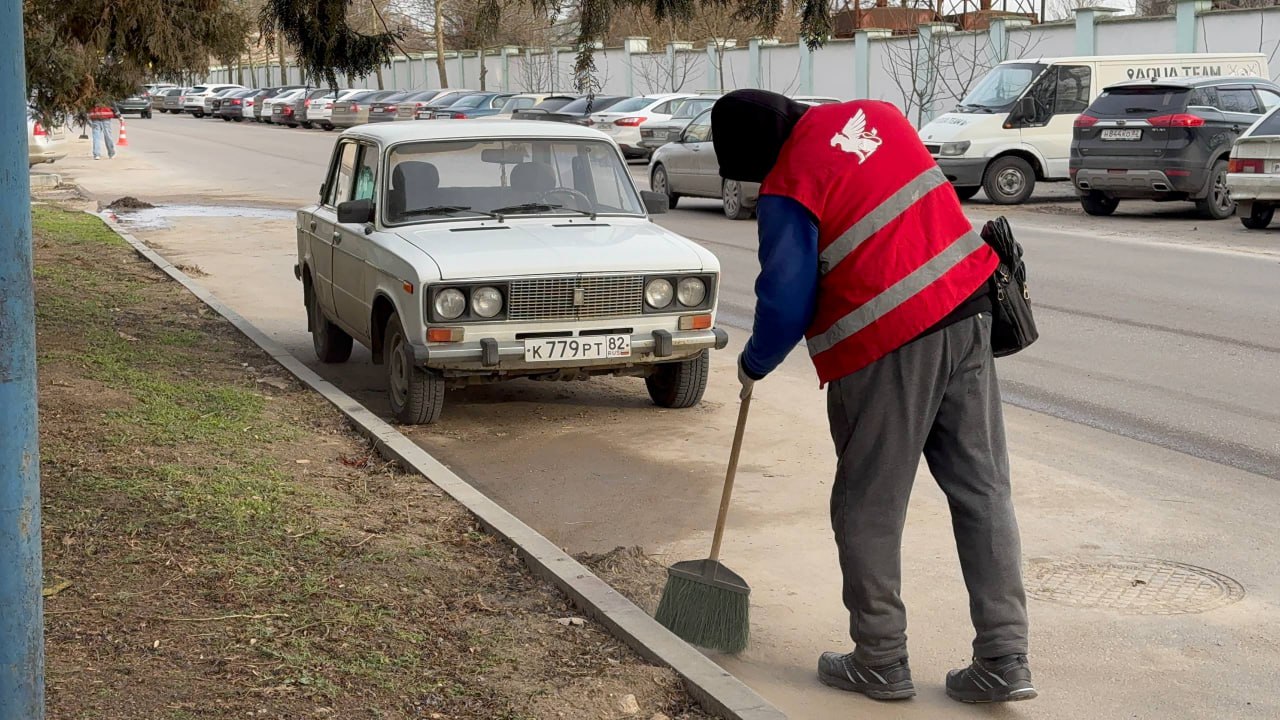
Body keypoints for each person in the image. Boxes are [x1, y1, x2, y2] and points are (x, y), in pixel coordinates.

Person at [711, 90, 1034, 704]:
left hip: (888, 342)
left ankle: (880, 658)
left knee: (866, 504)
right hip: (969, 316)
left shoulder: (791, 183)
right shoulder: (878, 115)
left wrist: (754, 364)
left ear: (759, 155)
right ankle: (1004, 657)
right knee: (982, 489)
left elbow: (785, 299)